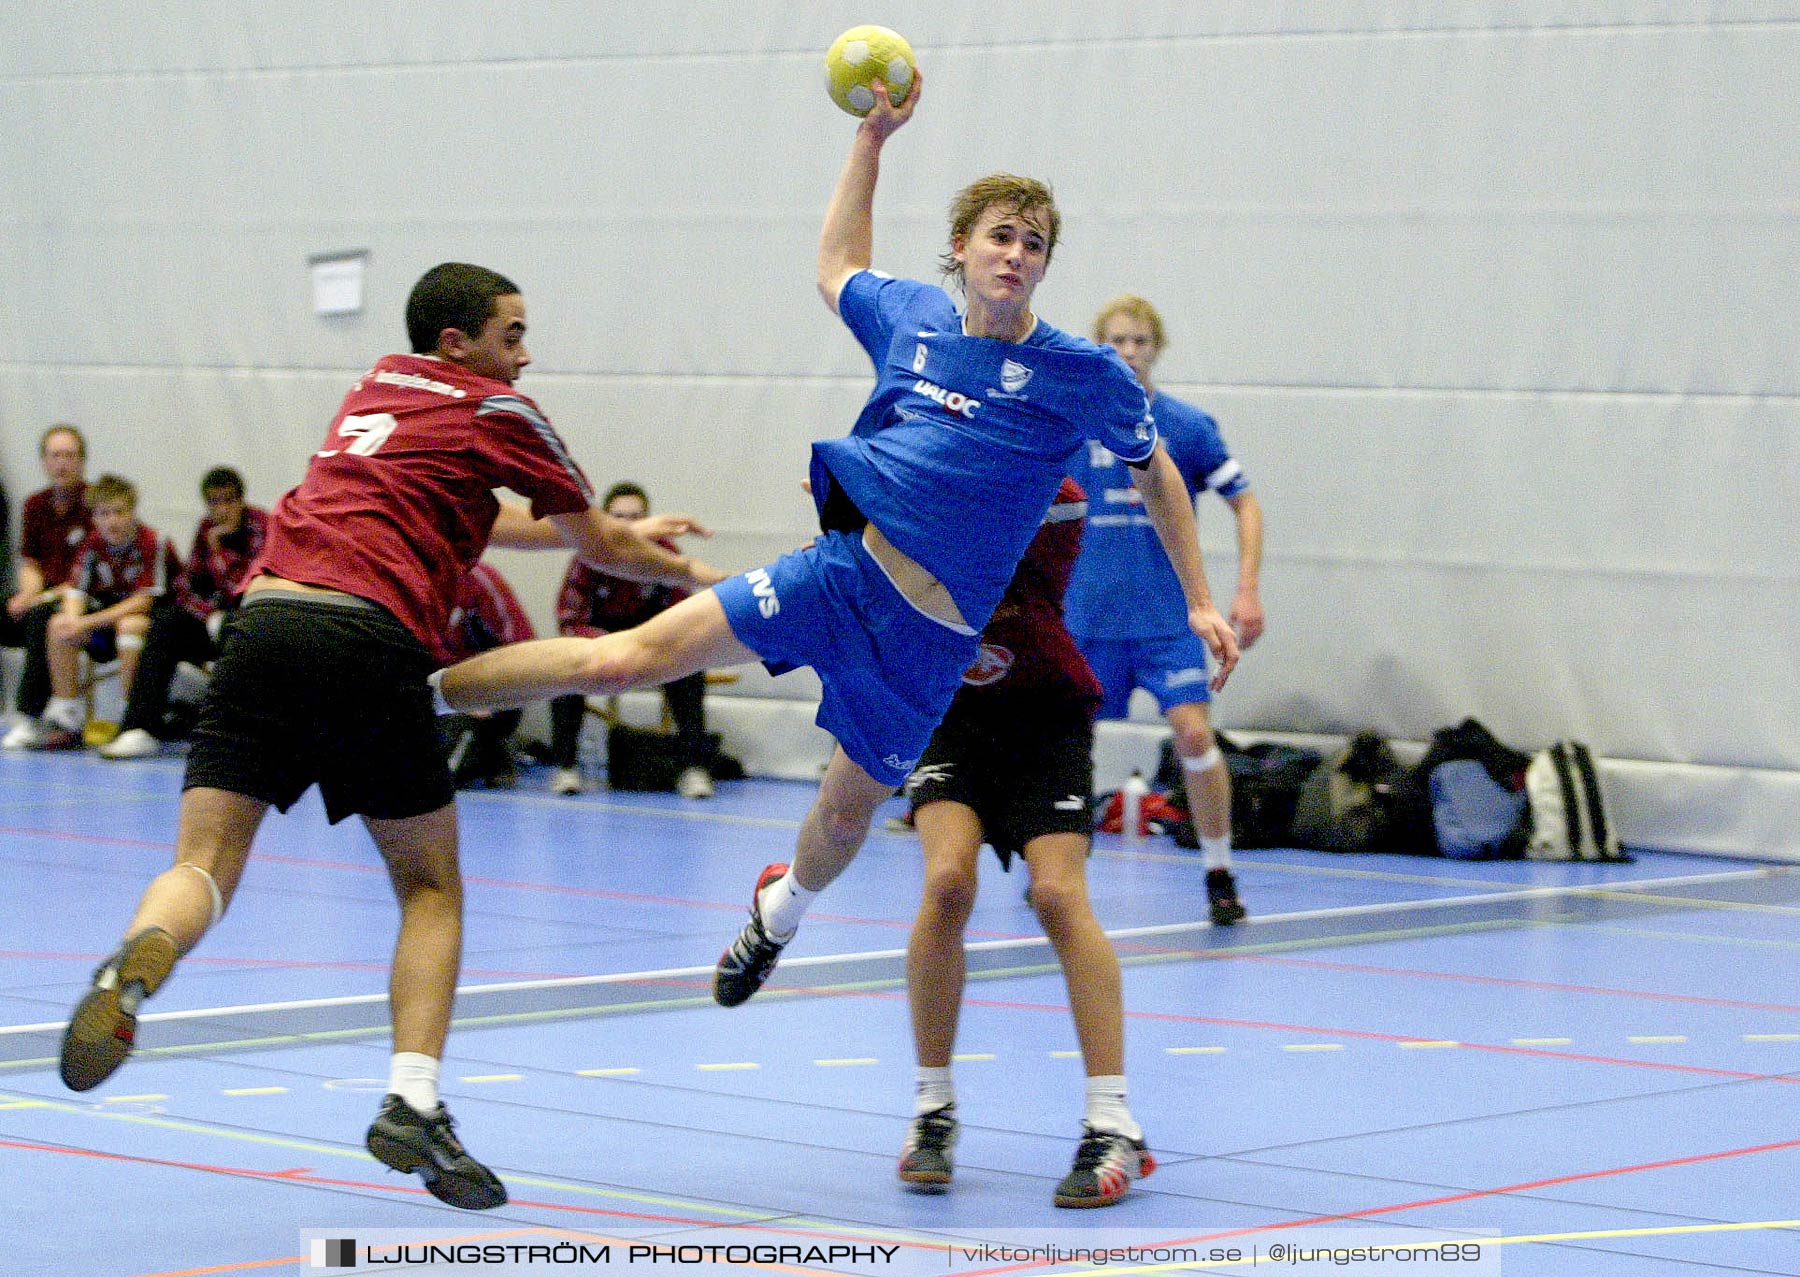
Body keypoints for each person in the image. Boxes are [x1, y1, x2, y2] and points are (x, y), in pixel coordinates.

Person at [432, 68, 1240, 1011]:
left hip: (928, 643)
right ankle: (422, 696)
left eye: (1036, 244)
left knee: (843, 812)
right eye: (1001, 237)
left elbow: (1157, 472)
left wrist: (1199, 599)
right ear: (961, 249)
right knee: (624, 659)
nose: (1017, 255)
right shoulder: (915, 317)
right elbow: (834, 267)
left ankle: (779, 914)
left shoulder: (1079, 372)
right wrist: (870, 144)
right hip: (836, 574)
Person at [57, 262, 725, 1213]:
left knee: (202, 862)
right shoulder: (502, 411)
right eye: (511, 333)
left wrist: (626, 524)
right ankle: (413, 1098)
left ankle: (137, 956)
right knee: (428, 887)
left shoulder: (373, 386)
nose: (525, 353)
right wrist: (685, 562)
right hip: (368, 637)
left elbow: (473, 515)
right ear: (459, 344)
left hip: (264, 622)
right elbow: (601, 547)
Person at [899, 479, 1154, 1208]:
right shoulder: (910, 480)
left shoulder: (1053, 493)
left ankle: (1112, 1122)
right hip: (951, 714)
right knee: (947, 881)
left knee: (1055, 892)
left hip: (1045, 714)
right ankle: (932, 1110)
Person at [1065, 295, 1266, 926]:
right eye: (1117, 342)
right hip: (1085, 621)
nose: (1128, 352)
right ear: (1100, 348)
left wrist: (1246, 591)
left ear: (1157, 348)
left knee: (1195, 735)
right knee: (1066, 748)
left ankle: (1219, 872)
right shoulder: (1071, 424)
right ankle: (1057, 871)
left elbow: (1246, 503)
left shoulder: (1183, 426)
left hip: (1165, 621)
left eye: (1141, 341)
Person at [546, 481, 715, 799]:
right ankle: (565, 767)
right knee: (562, 669)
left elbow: (685, 616)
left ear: (648, 519)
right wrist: (602, 646)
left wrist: (649, 648)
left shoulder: (665, 555)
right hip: (599, 648)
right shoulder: (587, 555)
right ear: (605, 520)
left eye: (636, 516)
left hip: (653, 646)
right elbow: (569, 619)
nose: (627, 524)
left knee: (691, 669)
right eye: (619, 517)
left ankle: (694, 769)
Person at [99, 467, 269, 760]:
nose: (222, 509)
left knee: (238, 626)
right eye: (214, 502)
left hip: (248, 621)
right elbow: (184, 586)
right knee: (167, 622)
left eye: (229, 501)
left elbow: (245, 588)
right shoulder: (206, 528)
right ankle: (140, 727)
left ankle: (236, 733)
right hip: (212, 621)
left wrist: (217, 553)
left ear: (241, 501)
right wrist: (207, 616)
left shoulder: (260, 526)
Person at [5, 474, 180, 750]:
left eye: (119, 512)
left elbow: (143, 602)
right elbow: (76, 590)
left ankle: (133, 721)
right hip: (105, 626)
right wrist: (74, 621)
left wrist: (87, 621)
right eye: (103, 514)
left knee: (130, 625)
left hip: (156, 629)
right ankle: (67, 716)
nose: (112, 521)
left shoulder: (153, 541)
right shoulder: (93, 542)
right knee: (59, 624)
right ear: (94, 518)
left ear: (132, 512)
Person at [3, 426, 93, 729]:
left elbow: (86, 572)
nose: (62, 463)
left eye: (69, 455)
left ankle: (29, 714)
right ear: (44, 461)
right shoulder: (35, 505)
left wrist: (40, 599)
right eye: (55, 456)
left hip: (80, 600)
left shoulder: (94, 506)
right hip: (42, 596)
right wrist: (27, 594)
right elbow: (30, 561)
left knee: (41, 617)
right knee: (23, 611)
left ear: (81, 461)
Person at [439, 561, 534, 789]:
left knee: (442, 779)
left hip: (485, 696)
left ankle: (493, 754)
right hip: (438, 695)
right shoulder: (416, 582)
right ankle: (492, 756)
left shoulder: (481, 581)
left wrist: (486, 696)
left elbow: (522, 651)